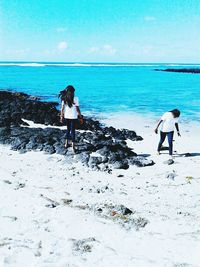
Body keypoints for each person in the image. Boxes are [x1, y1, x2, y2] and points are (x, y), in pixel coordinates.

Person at [59, 85, 83, 152]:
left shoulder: (64, 98)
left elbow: (62, 109)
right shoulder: (75, 98)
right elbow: (77, 109)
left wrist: (61, 116)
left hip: (67, 116)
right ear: (72, 92)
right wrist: (80, 117)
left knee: (68, 129)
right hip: (73, 117)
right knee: (73, 131)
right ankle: (73, 146)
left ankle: (66, 144)